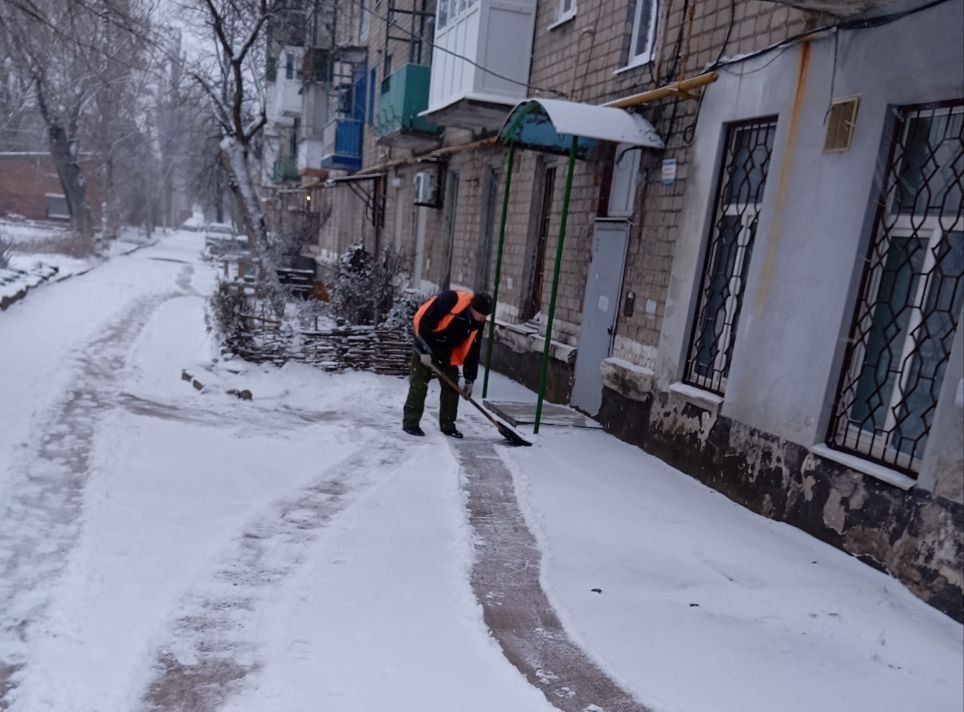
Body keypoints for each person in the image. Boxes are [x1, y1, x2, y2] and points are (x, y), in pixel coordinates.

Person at [402, 290, 493, 438]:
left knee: (451, 386)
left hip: (446, 350)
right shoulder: (451, 299)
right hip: (426, 341)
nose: (484, 318)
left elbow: (473, 349)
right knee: (419, 383)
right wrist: (423, 351)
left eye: (486, 316)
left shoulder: (478, 322)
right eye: (482, 314)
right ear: (473, 308)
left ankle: (448, 426)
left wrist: (470, 379)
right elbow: (424, 322)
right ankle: (411, 423)